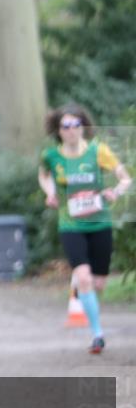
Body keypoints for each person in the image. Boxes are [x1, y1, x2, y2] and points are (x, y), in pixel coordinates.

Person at [38, 105, 130, 355]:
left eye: (76, 125)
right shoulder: (51, 156)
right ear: (58, 130)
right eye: (66, 126)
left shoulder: (98, 151)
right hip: (71, 225)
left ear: (83, 127)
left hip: (100, 223)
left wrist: (115, 192)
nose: (71, 130)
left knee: (98, 283)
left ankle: (89, 301)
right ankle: (97, 334)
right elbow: (44, 176)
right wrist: (50, 192)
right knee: (84, 278)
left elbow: (125, 178)